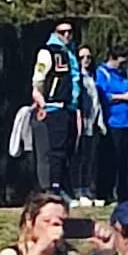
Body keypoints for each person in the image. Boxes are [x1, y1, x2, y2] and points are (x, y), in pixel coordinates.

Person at [31, 20, 82, 197]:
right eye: (62, 32)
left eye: (70, 32)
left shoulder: (70, 52)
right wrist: (41, 100)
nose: (67, 35)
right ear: (55, 32)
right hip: (54, 107)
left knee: (68, 149)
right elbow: (38, 78)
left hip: (69, 107)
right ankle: (55, 188)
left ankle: (66, 187)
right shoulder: (48, 51)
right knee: (56, 150)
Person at [94, 49, 128, 203]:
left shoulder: (123, 74)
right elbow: (102, 95)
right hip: (112, 122)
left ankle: (126, 194)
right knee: (111, 160)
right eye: (122, 60)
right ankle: (103, 193)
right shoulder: (102, 73)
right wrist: (122, 97)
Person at [72, 45, 103, 205]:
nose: (86, 61)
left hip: (92, 122)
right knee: (80, 158)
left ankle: (88, 190)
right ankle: (78, 190)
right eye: (82, 57)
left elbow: (96, 102)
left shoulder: (92, 77)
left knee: (90, 158)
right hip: (80, 122)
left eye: (88, 57)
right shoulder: (76, 78)